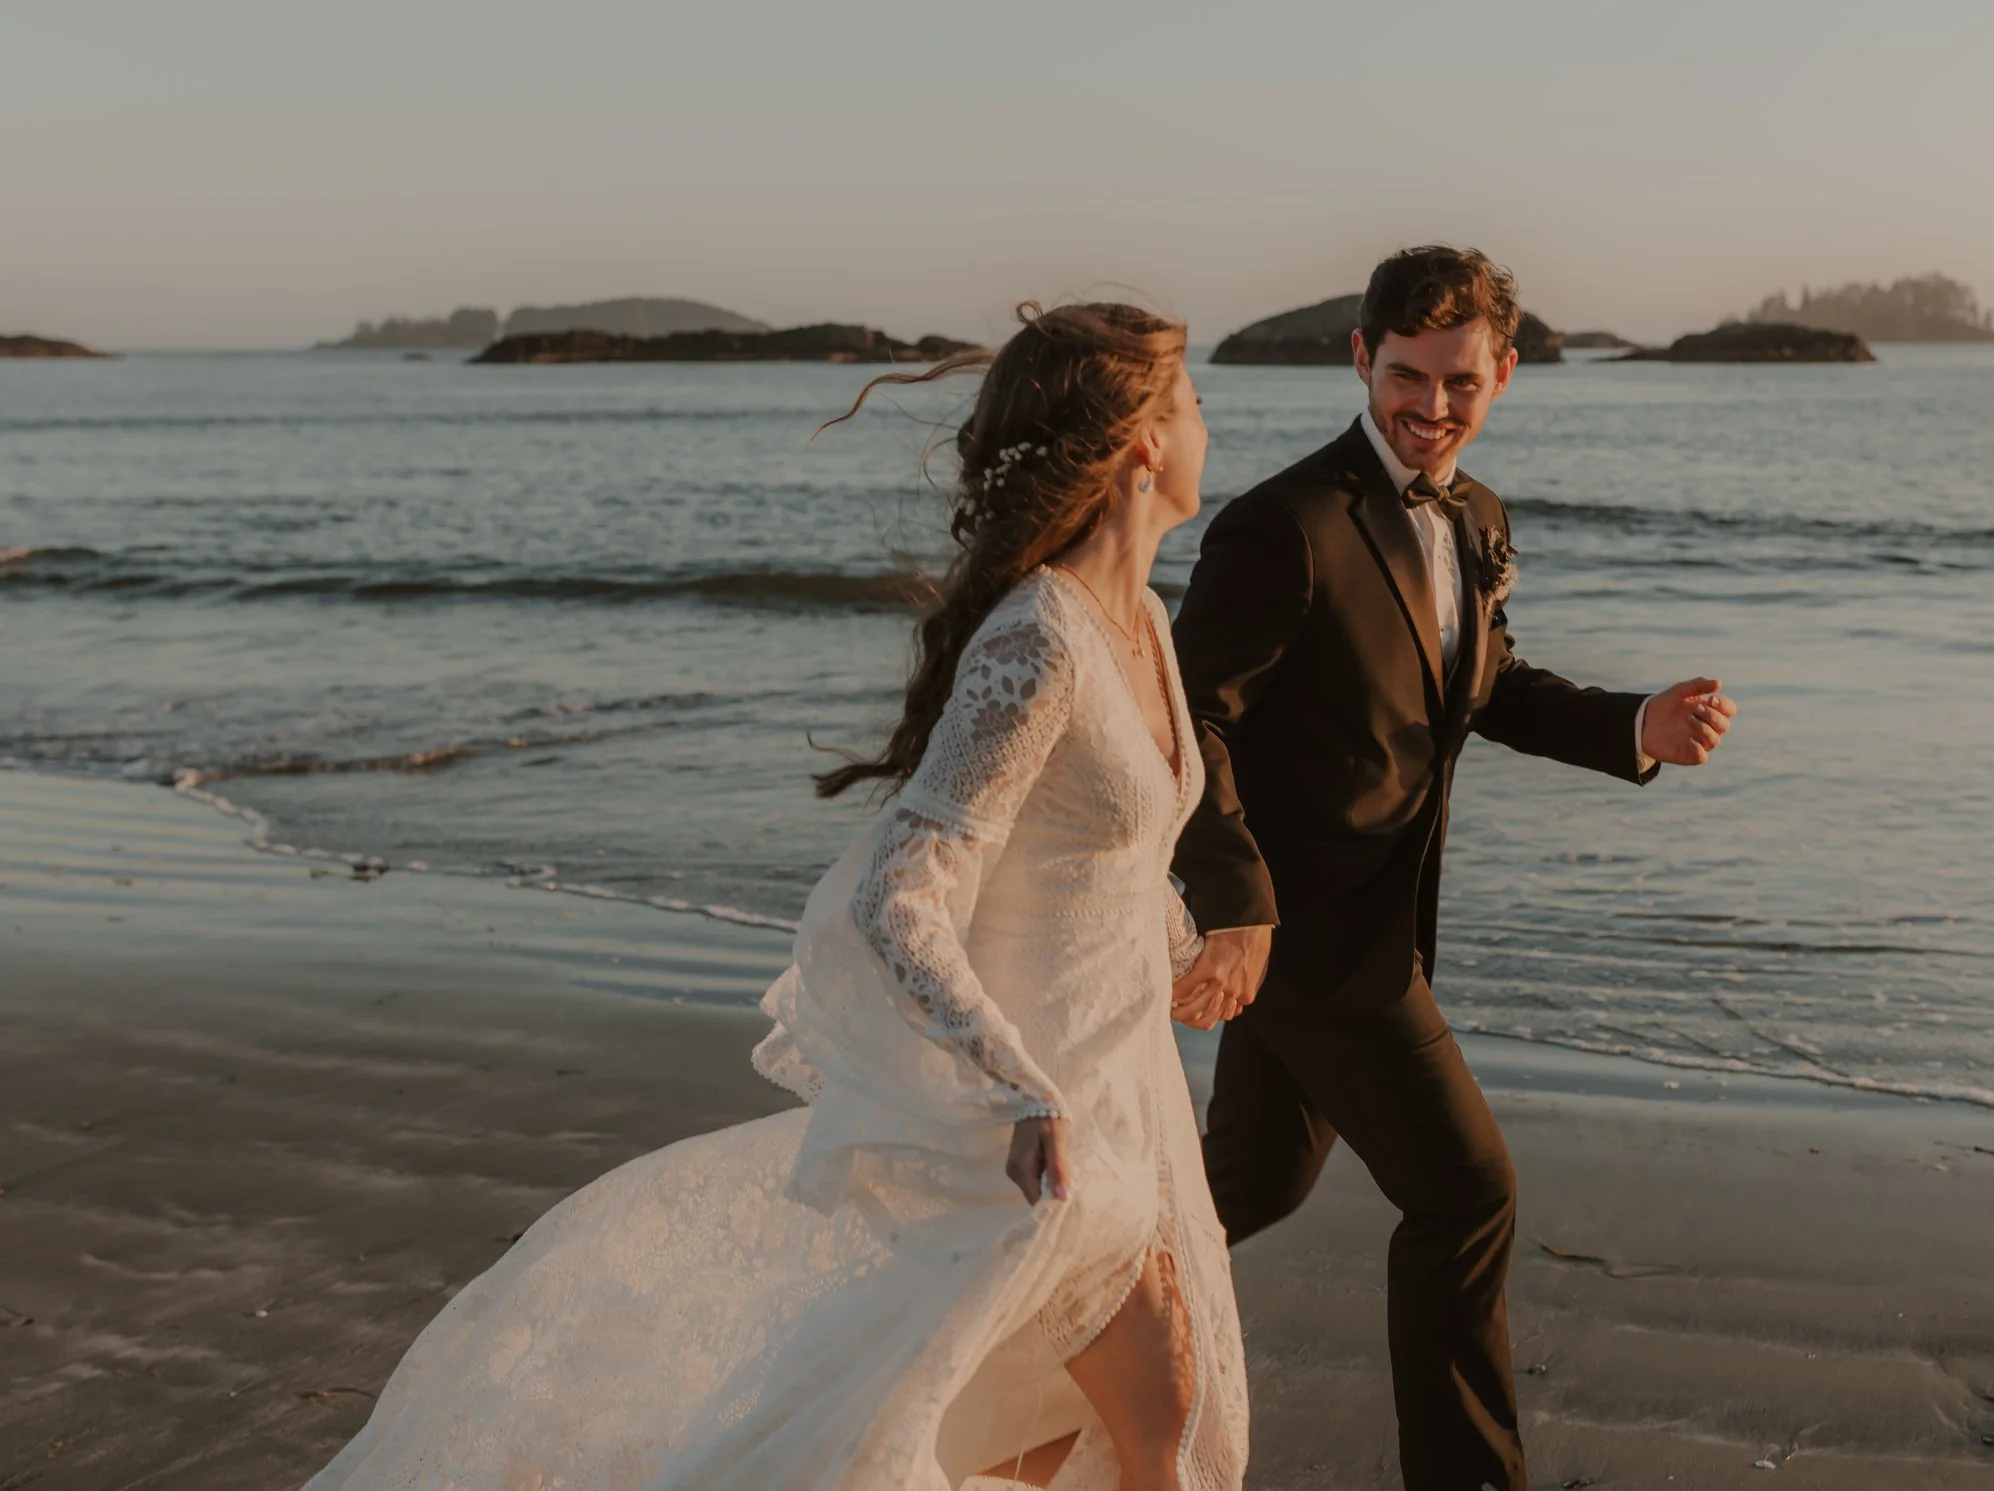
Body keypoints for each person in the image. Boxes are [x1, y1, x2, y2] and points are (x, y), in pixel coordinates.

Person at [304, 303, 1248, 1491]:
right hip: (1037, 1122)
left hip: (1131, 1088)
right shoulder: (1040, 640)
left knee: (1058, 1440)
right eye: (1196, 402)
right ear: (1142, 444)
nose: (1215, 424)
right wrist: (1013, 1085)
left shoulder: (1145, 624)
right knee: (1163, 1416)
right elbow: (901, 891)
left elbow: (1099, 846)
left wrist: (1187, 940)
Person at [1167, 246, 1736, 1491]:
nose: (1432, 404)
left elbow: (1481, 683)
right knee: (1467, 1193)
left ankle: (1031, 1305)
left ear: (1505, 374)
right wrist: (1237, 906)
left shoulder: (1475, 516)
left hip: (1375, 923)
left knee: (1239, 1187)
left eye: (1460, 380)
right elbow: (1184, 722)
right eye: (1409, 375)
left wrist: (1629, 725)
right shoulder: (1283, 524)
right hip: (1310, 939)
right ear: (1360, 358)